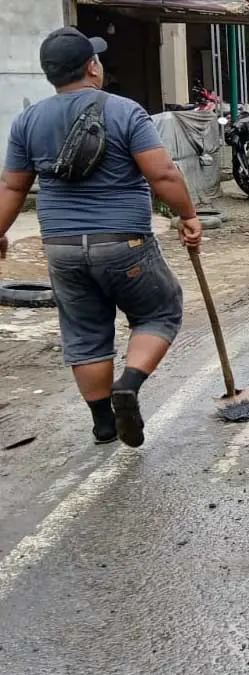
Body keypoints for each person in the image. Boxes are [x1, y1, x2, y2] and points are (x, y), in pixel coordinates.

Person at [0, 27, 203, 447]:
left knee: (84, 331)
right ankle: (128, 385)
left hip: (62, 248)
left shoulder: (27, 120)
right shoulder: (124, 111)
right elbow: (162, 172)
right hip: (123, 242)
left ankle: (103, 424)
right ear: (92, 66)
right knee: (159, 311)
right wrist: (188, 215)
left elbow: (12, 187)